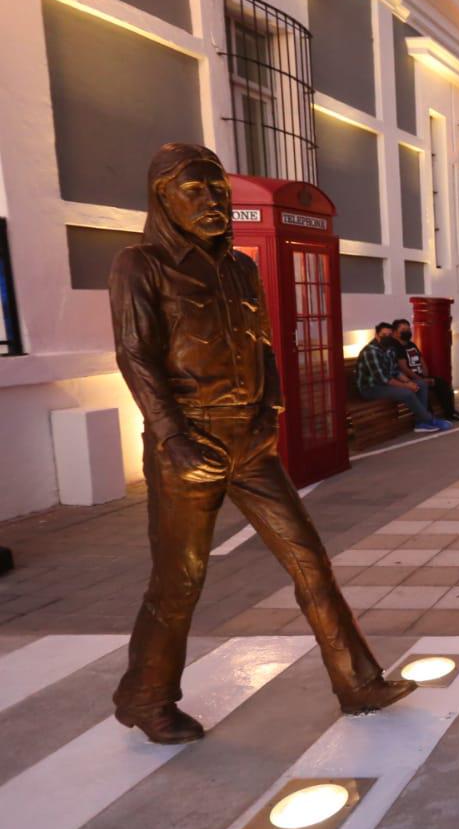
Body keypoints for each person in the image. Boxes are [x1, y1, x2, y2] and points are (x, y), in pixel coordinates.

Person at [109, 143, 413, 744]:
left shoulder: (241, 267)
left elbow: (265, 344)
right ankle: (146, 697)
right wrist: (171, 436)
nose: (212, 200)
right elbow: (135, 356)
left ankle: (357, 681)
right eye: (195, 189)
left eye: (218, 189)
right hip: (188, 441)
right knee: (180, 581)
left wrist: (271, 408)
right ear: (163, 197)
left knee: (310, 561)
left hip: (250, 441)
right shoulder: (139, 265)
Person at [356, 322, 450, 432]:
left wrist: (410, 382)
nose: (387, 338)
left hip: (387, 384)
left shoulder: (390, 348)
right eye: (383, 335)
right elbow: (385, 379)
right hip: (371, 388)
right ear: (376, 335)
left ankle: (421, 423)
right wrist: (407, 386)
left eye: (389, 335)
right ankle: (429, 419)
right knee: (407, 392)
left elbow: (395, 371)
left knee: (421, 384)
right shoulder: (370, 352)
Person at [392, 318, 459, 421]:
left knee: (442, 383)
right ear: (396, 333)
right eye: (403, 329)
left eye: (408, 328)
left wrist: (426, 374)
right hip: (411, 380)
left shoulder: (411, 344)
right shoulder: (397, 348)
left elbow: (421, 359)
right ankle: (430, 417)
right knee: (422, 388)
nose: (407, 331)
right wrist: (420, 379)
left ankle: (450, 412)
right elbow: (404, 368)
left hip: (421, 377)